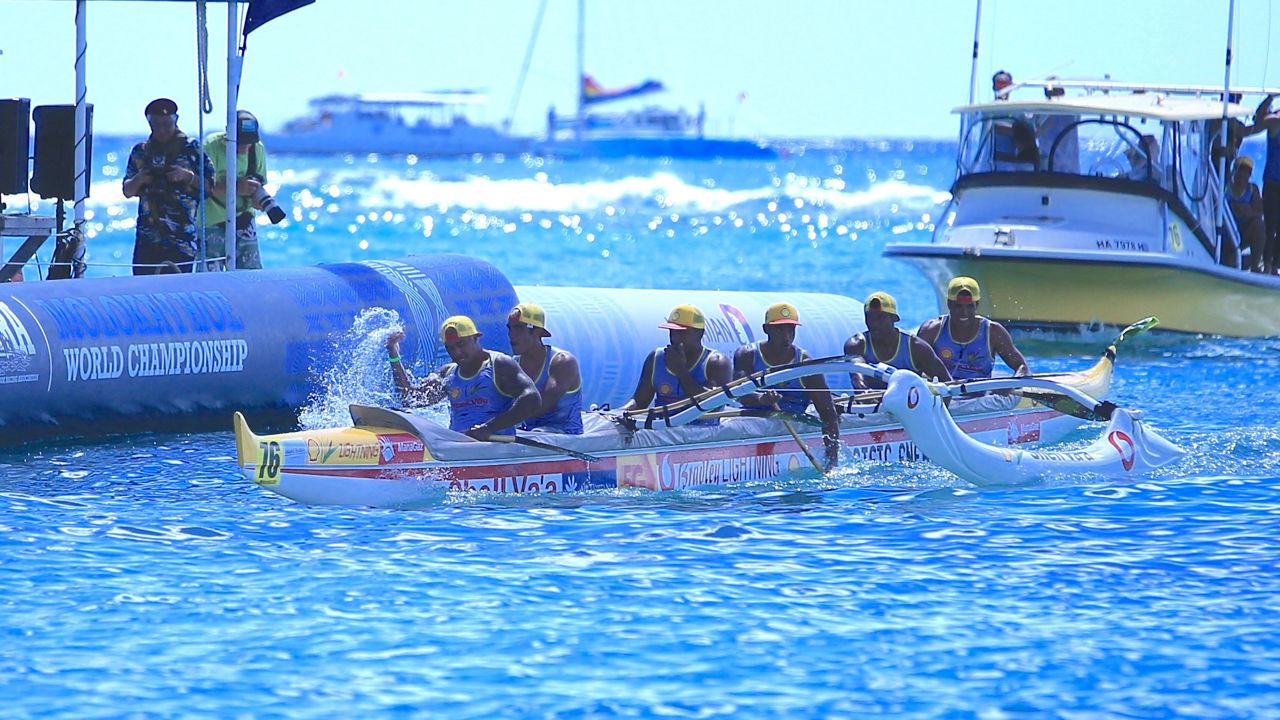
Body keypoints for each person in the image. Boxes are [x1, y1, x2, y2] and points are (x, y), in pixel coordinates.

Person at [384, 316, 541, 440]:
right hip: (459, 448)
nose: (457, 352)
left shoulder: (499, 364)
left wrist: (488, 428)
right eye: (450, 348)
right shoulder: (447, 374)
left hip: (495, 447)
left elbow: (532, 398)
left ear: (475, 338)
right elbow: (410, 400)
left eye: (461, 344)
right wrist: (394, 355)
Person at [733, 302, 841, 468]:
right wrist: (761, 399)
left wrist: (831, 459)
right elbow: (739, 393)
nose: (786, 335)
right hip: (758, 414)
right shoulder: (747, 355)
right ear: (766, 329)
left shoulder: (805, 364)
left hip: (793, 414)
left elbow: (828, 413)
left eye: (791, 329)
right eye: (779, 329)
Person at [122, 98, 215, 275]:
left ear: (175, 120)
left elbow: (210, 188)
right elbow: (127, 191)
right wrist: (140, 179)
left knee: (178, 291)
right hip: (148, 237)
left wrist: (186, 177)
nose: (162, 130)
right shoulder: (141, 151)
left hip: (181, 238)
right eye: (156, 124)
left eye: (167, 124)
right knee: (145, 289)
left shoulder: (191, 149)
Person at [621, 304, 732, 425]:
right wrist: (617, 415)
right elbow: (639, 402)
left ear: (699, 333)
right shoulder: (656, 359)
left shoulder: (717, 363)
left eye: (681, 333)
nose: (674, 338)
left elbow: (713, 404)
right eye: (671, 332)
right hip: (662, 431)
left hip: (702, 432)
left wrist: (681, 371)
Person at [916, 277, 1030, 380]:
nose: (964, 312)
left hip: (981, 397)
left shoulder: (994, 332)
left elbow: (1022, 367)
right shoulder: (931, 330)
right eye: (958, 306)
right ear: (949, 304)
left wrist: (1011, 384)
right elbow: (914, 368)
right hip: (943, 394)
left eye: (970, 306)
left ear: (977, 305)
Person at [203, 110, 275, 270]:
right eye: (241, 142)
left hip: (243, 217)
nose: (245, 147)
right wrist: (235, 187)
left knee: (251, 270)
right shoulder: (211, 146)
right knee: (209, 273)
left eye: (249, 143)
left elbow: (259, 182)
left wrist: (258, 199)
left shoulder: (257, 150)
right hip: (211, 220)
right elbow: (202, 188)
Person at [844, 291, 951, 389]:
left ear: (895, 319)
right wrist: (862, 391)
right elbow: (857, 376)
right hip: (872, 404)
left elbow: (946, 382)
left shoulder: (916, 347)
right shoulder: (856, 345)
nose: (874, 324)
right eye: (870, 318)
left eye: (880, 318)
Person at [506, 302, 584, 434]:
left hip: (565, 434)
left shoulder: (563, 362)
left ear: (536, 331)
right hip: (531, 434)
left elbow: (540, 406)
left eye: (518, 328)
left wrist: (491, 424)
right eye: (510, 328)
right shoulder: (513, 365)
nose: (511, 334)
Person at [1228, 156, 1267, 272]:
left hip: (1242, 233)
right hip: (1225, 234)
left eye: (1247, 171)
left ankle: (1255, 265)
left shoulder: (1252, 189)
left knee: (1259, 226)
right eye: (1240, 170)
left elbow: (1259, 213)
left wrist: (1248, 212)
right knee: (1228, 262)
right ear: (1234, 171)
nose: (1243, 174)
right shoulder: (1225, 187)